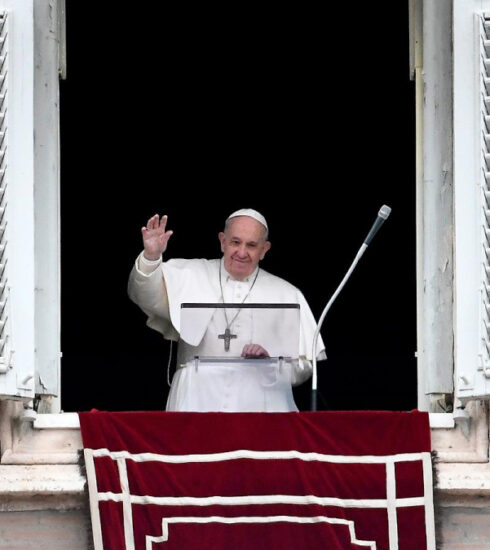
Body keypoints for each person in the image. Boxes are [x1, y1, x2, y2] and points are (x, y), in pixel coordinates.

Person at [128, 208, 325, 412]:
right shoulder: (189, 273)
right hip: (196, 401)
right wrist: (151, 257)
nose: (241, 252)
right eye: (235, 242)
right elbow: (143, 296)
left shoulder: (287, 294)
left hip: (261, 406)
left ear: (264, 249)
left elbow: (304, 366)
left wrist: (272, 362)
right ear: (222, 241)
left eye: (251, 245)